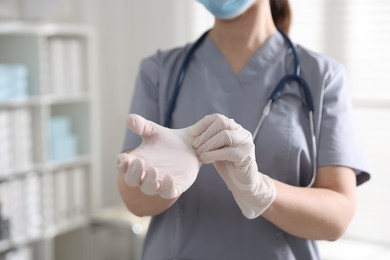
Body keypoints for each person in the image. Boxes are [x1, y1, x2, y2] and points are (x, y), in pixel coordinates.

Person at [116, 0, 371, 259]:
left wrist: (261, 191)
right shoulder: (159, 71)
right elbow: (134, 199)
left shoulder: (322, 76)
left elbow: (336, 218)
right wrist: (160, 180)